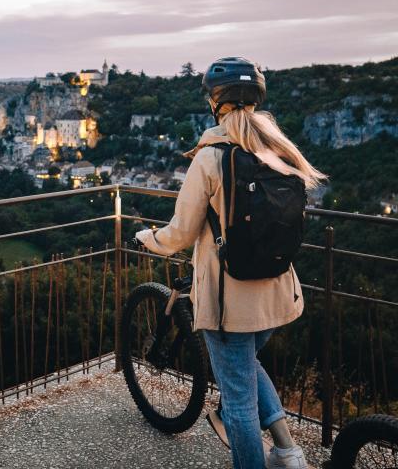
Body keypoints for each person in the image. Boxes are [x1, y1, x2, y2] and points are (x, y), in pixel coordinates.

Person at [134, 57, 327, 469]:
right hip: (277, 293)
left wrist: (148, 238)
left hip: (230, 304)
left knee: (237, 400)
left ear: (214, 103)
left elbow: (180, 235)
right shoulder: (281, 151)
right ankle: (289, 453)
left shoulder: (211, 157)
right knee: (246, 367)